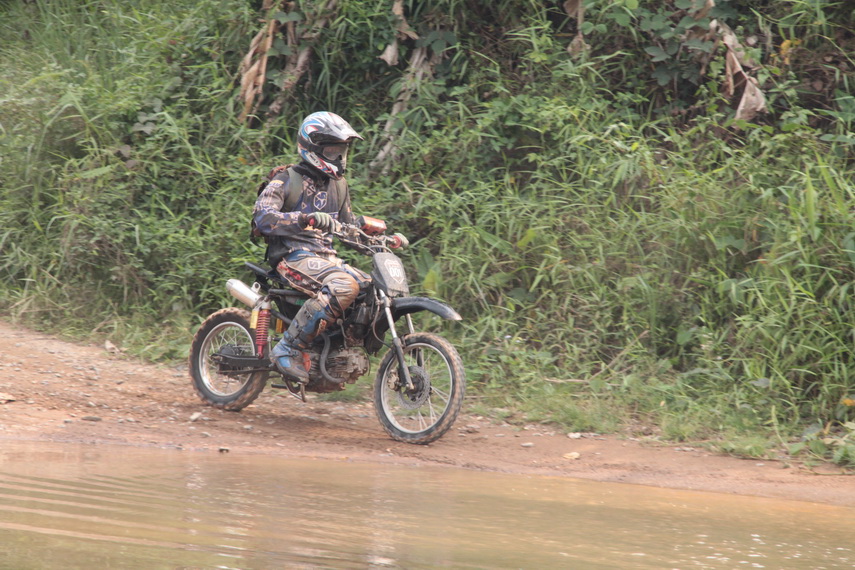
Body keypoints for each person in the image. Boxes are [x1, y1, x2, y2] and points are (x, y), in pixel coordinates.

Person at [252, 111, 370, 383]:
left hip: (326, 259)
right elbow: (263, 216)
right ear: (313, 148)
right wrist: (303, 219)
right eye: (332, 151)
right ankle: (288, 347)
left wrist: (378, 238)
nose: (338, 157)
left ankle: (335, 349)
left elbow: (347, 228)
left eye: (341, 151)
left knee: (372, 288)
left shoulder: (339, 186)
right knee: (343, 286)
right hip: (292, 256)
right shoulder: (286, 179)